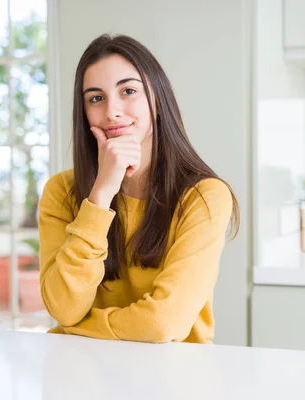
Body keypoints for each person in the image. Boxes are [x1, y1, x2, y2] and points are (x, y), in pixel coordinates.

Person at [38, 34, 239, 344]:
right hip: (80, 373)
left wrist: (76, 328)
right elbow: (64, 307)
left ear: (157, 101)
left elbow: (162, 324)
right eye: (96, 98)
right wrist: (101, 194)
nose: (112, 111)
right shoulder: (61, 191)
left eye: (128, 91)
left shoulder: (204, 197)